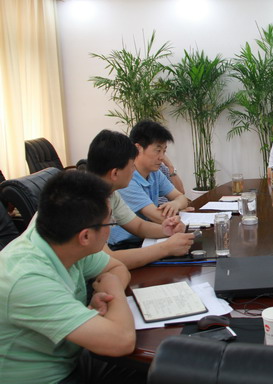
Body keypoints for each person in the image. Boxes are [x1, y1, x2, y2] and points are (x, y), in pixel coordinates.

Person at [0, 171, 144, 384]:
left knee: (167, 370)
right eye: (110, 223)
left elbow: (117, 267)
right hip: (49, 378)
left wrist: (104, 295)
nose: (111, 228)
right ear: (85, 236)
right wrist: (112, 287)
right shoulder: (27, 278)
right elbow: (122, 341)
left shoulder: (63, 239)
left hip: (72, 358)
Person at [87, 129, 194, 264]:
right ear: (115, 173)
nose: (134, 170)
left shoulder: (111, 193)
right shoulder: (85, 202)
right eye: (131, 166)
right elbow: (107, 261)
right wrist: (166, 248)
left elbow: (138, 226)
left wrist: (168, 230)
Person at [110, 120, 189, 247]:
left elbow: (182, 197)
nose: (162, 157)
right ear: (138, 148)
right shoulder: (127, 178)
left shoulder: (155, 173)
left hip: (150, 236)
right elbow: (157, 217)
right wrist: (178, 213)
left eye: (164, 151)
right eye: (157, 150)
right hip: (126, 244)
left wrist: (176, 204)